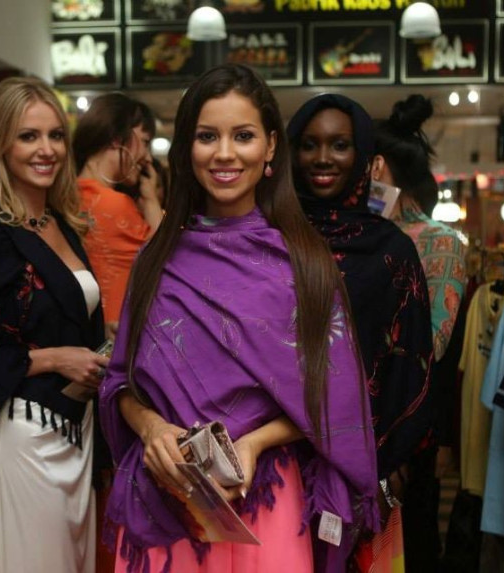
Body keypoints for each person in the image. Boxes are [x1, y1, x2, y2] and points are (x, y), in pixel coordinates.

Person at [99, 64, 379, 573]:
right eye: (208, 136)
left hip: (266, 502)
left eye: (243, 136)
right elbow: (120, 381)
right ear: (187, 147)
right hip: (169, 496)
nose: (225, 153)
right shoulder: (156, 257)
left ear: (270, 146)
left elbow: (334, 396)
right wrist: (153, 429)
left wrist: (253, 443)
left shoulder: (305, 263)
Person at [0, 76, 109, 572]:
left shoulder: (62, 223)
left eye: (55, 135)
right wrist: (52, 358)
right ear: (0, 144)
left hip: (75, 433)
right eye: (29, 136)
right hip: (22, 441)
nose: (46, 149)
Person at [287, 94, 434, 569]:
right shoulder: (268, 240)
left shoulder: (392, 251)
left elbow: (411, 360)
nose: (323, 158)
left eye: (339, 145)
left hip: (368, 465)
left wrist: (387, 467)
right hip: (274, 459)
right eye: (309, 145)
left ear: (364, 157)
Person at [372, 94, 467, 572]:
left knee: (413, 538)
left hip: (409, 423)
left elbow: (436, 343)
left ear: (380, 167)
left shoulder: (440, 241)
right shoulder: (354, 232)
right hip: (352, 420)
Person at [74, 93, 164, 341]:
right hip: (122, 336)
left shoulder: (68, 196)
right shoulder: (115, 204)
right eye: (144, 142)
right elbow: (169, 258)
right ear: (116, 139)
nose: (146, 157)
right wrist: (151, 201)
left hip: (86, 332)